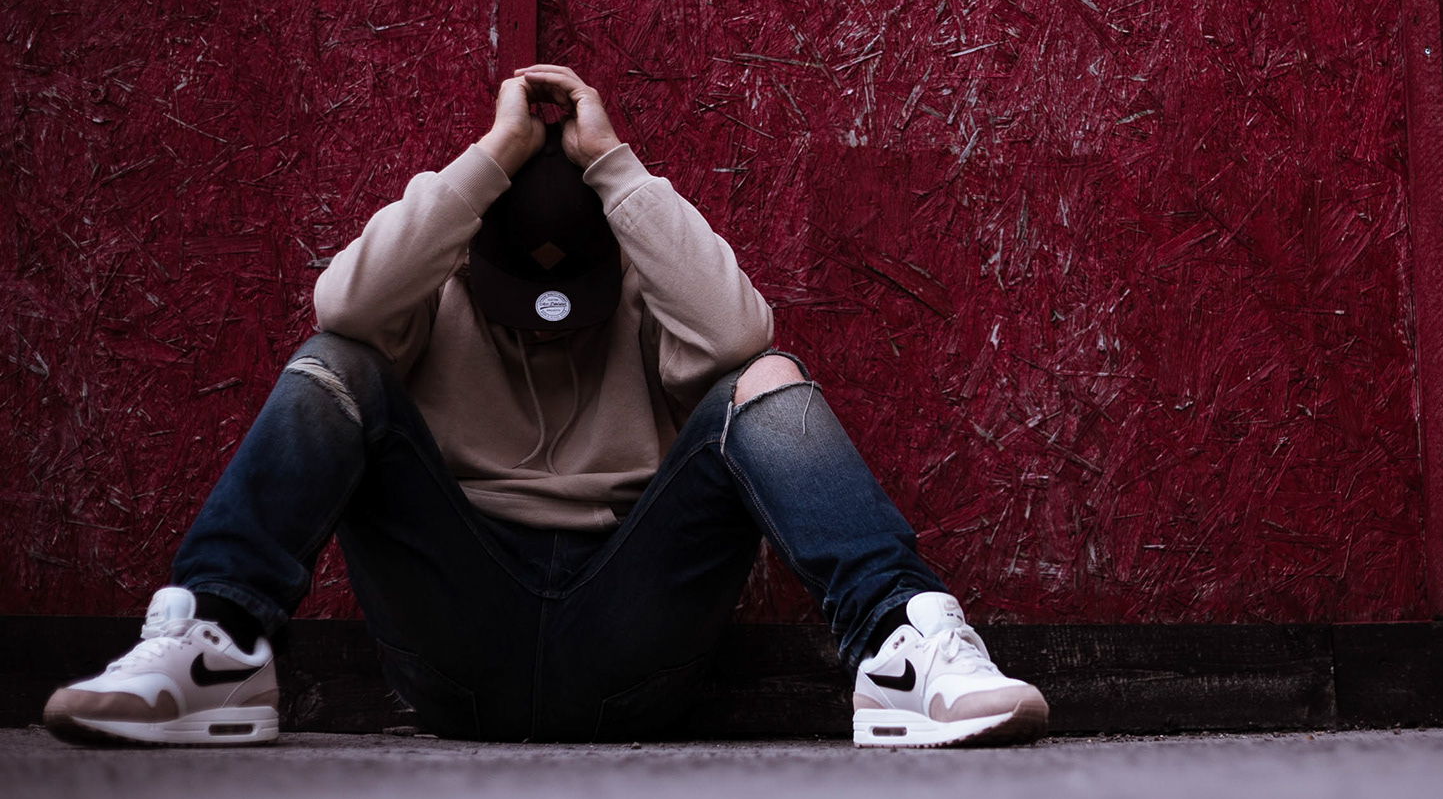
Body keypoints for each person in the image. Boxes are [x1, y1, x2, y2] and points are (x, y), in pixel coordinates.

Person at [43, 65, 1047, 748]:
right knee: (332, 364)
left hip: (630, 631)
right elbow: (340, 309)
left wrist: (613, 165)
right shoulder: (424, 284)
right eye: (522, 297)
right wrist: (493, 155)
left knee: (765, 381)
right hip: (458, 629)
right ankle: (216, 640)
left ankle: (903, 643)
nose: (550, 322)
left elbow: (741, 331)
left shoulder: (649, 286)